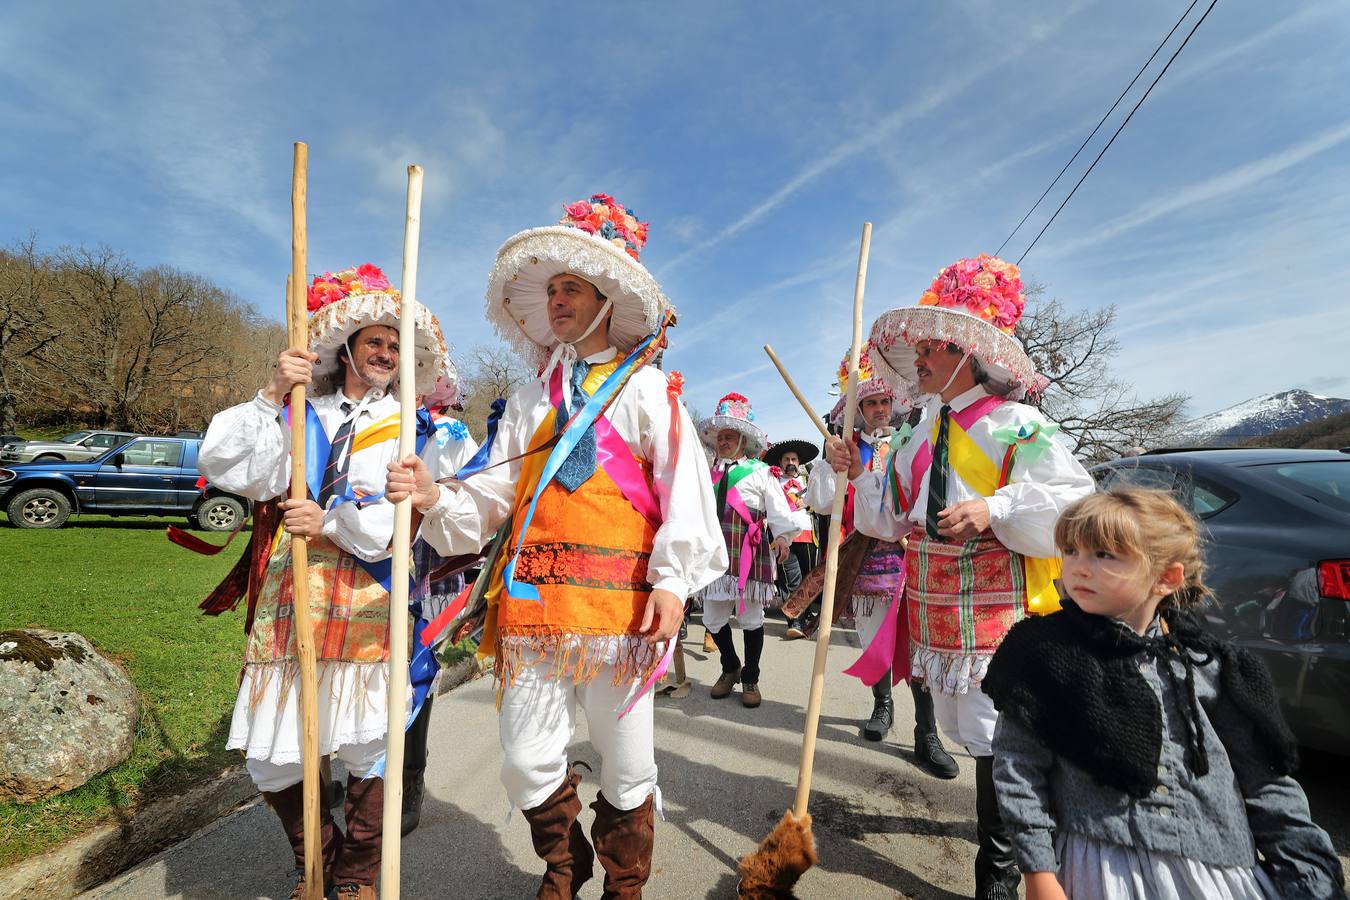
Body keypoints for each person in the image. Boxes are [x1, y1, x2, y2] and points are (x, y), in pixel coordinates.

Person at [386, 194, 726, 899]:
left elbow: (686, 493)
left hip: (620, 615)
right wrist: (432, 498)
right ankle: (563, 869)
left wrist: (673, 580)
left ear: (607, 299)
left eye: (572, 287)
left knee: (628, 766)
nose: (558, 299)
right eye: (552, 290)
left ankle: (623, 888)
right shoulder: (531, 397)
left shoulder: (649, 390)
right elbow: (490, 499)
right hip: (533, 610)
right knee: (526, 761)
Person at [198, 265, 477, 900]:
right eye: (374, 341)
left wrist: (328, 519)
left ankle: (353, 880)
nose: (384, 353)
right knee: (274, 759)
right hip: (293, 591)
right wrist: (273, 391)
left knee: (366, 745)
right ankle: (315, 865)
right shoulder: (303, 410)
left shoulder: (414, 424)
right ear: (346, 347)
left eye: (394, 345)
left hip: (372, 592)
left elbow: (398, 519)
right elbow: (233, 468)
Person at [830, 254, 1094, 899]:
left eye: (934, 347)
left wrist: (996, 506)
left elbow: (1071, 500)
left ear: (971, 354)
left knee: (997, 735)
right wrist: (855, 471)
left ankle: (1001, 880)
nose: (920, 359)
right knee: (969, 731)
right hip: (933, 595)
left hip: (997, 601)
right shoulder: (919, 434)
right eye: (918, 348)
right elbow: (890, 518)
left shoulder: (1019, 426)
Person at [984, 489, 1345, 900]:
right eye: (1070, 550)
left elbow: (1265, 779)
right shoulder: (1042, 653)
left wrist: (1310, 877)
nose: (1079, 567)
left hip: (1213, 874)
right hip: (1099, 867)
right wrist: (1039, 873)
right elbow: (1018, 768)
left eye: (1104, 555)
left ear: (1166, 577)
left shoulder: (1210, 665)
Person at [803, 343, 960, 777]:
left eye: (882, 401)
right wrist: (828, 465)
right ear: (857, 408)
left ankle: (926, 732)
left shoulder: (911, 442)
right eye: (868, 401)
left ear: (893, 405)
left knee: (920, 644)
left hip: (915, 556)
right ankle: (882, 705)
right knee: (877, 641)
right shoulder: (843, 449)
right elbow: (818, 502)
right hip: (867, 560)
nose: (876, 408)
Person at [696, 393, 800, 708]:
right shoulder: (707, 473)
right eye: (720, 437)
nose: (722, 442)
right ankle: (730, 667)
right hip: (715, 554)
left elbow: (780, 511)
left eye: (729, 437)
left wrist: (782, 537)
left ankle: (750, 677)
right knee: (713, 619)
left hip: (749, 553)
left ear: (743, 440)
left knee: (751, 618)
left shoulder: (760, 472)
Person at [763, 438, 818, 636]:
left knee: (809, 579)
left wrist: (809, 503)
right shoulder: (772, 483)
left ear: (799, 462)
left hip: (809, 536)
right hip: (784, 538)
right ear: (780, 462)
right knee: (790, 581)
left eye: (794, 459)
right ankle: (794, 621)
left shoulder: (809, 481)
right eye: (786, 459)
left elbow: (824, 502)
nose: (791, 462)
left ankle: (807, 614)